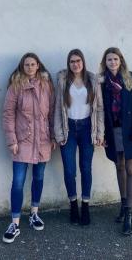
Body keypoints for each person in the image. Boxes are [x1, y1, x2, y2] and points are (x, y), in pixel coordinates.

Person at [1, 52, 56, 243]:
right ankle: (14, 223)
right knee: (18, 182)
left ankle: (34, 214)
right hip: (22, 141)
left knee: (38, 178)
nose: (30, 67)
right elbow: (8, 114)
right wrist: (12, 140)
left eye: (33, 64)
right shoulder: (16, 86)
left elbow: (52, 112)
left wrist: (53, 136)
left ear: (38, 65)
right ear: (22, 67)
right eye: (27, 65)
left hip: (42, 140)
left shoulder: (46, 86)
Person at [53, 49, 104, 225]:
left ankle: (86, 206)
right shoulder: (62, 80)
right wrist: (58, 133)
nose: (75, 64)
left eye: (78, 61)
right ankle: (73, 205)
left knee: (86, 168)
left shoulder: (92, 80)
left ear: (83, 62)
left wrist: (99, 133)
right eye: (72, 61)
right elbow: (58, 108)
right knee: (69, 170)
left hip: (86, 128)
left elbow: (99, 109)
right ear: (69, 63)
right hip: (69, 129)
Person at [99, 47, 132, 236]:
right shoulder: (102, 81)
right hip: (113, 130)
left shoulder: (130, 77)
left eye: (115, 59)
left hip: (129, 132)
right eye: (109, 60)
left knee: (131, 169)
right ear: (105, 62)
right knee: (119, 166)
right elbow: (99, 108)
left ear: (121, 60)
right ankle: (123, 203)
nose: (112, 62)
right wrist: (102, 134)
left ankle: (129, 213)